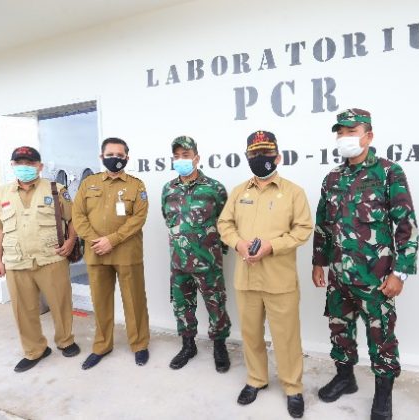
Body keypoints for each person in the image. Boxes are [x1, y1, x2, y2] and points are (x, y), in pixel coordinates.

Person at [312, 109, 419, 420]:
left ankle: (383, 395)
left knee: (381, 337)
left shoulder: (388, 173)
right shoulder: (332, 178)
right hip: (339, 277)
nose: (344, 137)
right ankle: (345, 378)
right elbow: (323, 224)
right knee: (339, 330)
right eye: (340, 132)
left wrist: (400, 273)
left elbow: (406, 226)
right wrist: (319, 262)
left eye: (351, 131)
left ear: (368, 136)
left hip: (376, 279)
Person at [217, 130, 312, 419]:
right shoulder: (239, 192)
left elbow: (303, 229)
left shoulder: (293, 192)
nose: (260, 159)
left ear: (278, 157)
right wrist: (238, 243)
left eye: (266, 153)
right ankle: (256, 379)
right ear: (247, 157)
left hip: (279, 279)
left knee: (286, 337)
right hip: (246, 278)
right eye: (254, 154)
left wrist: (272, 246)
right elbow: (224, 224)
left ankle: (293, 388)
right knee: (251, 334)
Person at [0, 146, 80, 372]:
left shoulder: (56, 189)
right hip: (16, 261)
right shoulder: (1, 193)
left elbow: (74, 219)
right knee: (23, 310)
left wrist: (70, 241)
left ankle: (65, 341)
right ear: (12, 165)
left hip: (52, 258)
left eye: (30, 163)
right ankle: (34, 350)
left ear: (40, 166)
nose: (24, 167)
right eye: (19, 163)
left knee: (61, 303)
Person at [72, 137, 151, 369]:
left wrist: (112, 240)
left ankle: (139, 345)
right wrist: (95, 240)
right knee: (101, 302)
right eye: (110, 155)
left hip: (127, 253)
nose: (115, 158)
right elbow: (78, 215)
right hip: (96, 252)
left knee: (134, 301)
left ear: (127, 157)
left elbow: (139, 217)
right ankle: (102, 346)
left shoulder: (136, 185)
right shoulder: (89, 183)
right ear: (101, 157)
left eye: (119, 155)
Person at [161, 136, 232, 372]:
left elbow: (226, 223)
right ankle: (188, 345)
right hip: (178, 263)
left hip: (208, 262)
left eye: (186, 155)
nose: (181, 159)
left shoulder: (214, 188)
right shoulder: (168, 189)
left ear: (196, 158)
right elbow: (168, 220)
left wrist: (217, 252)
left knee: (216, 306)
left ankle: (219, 346)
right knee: (182, 306)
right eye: (177, 156)